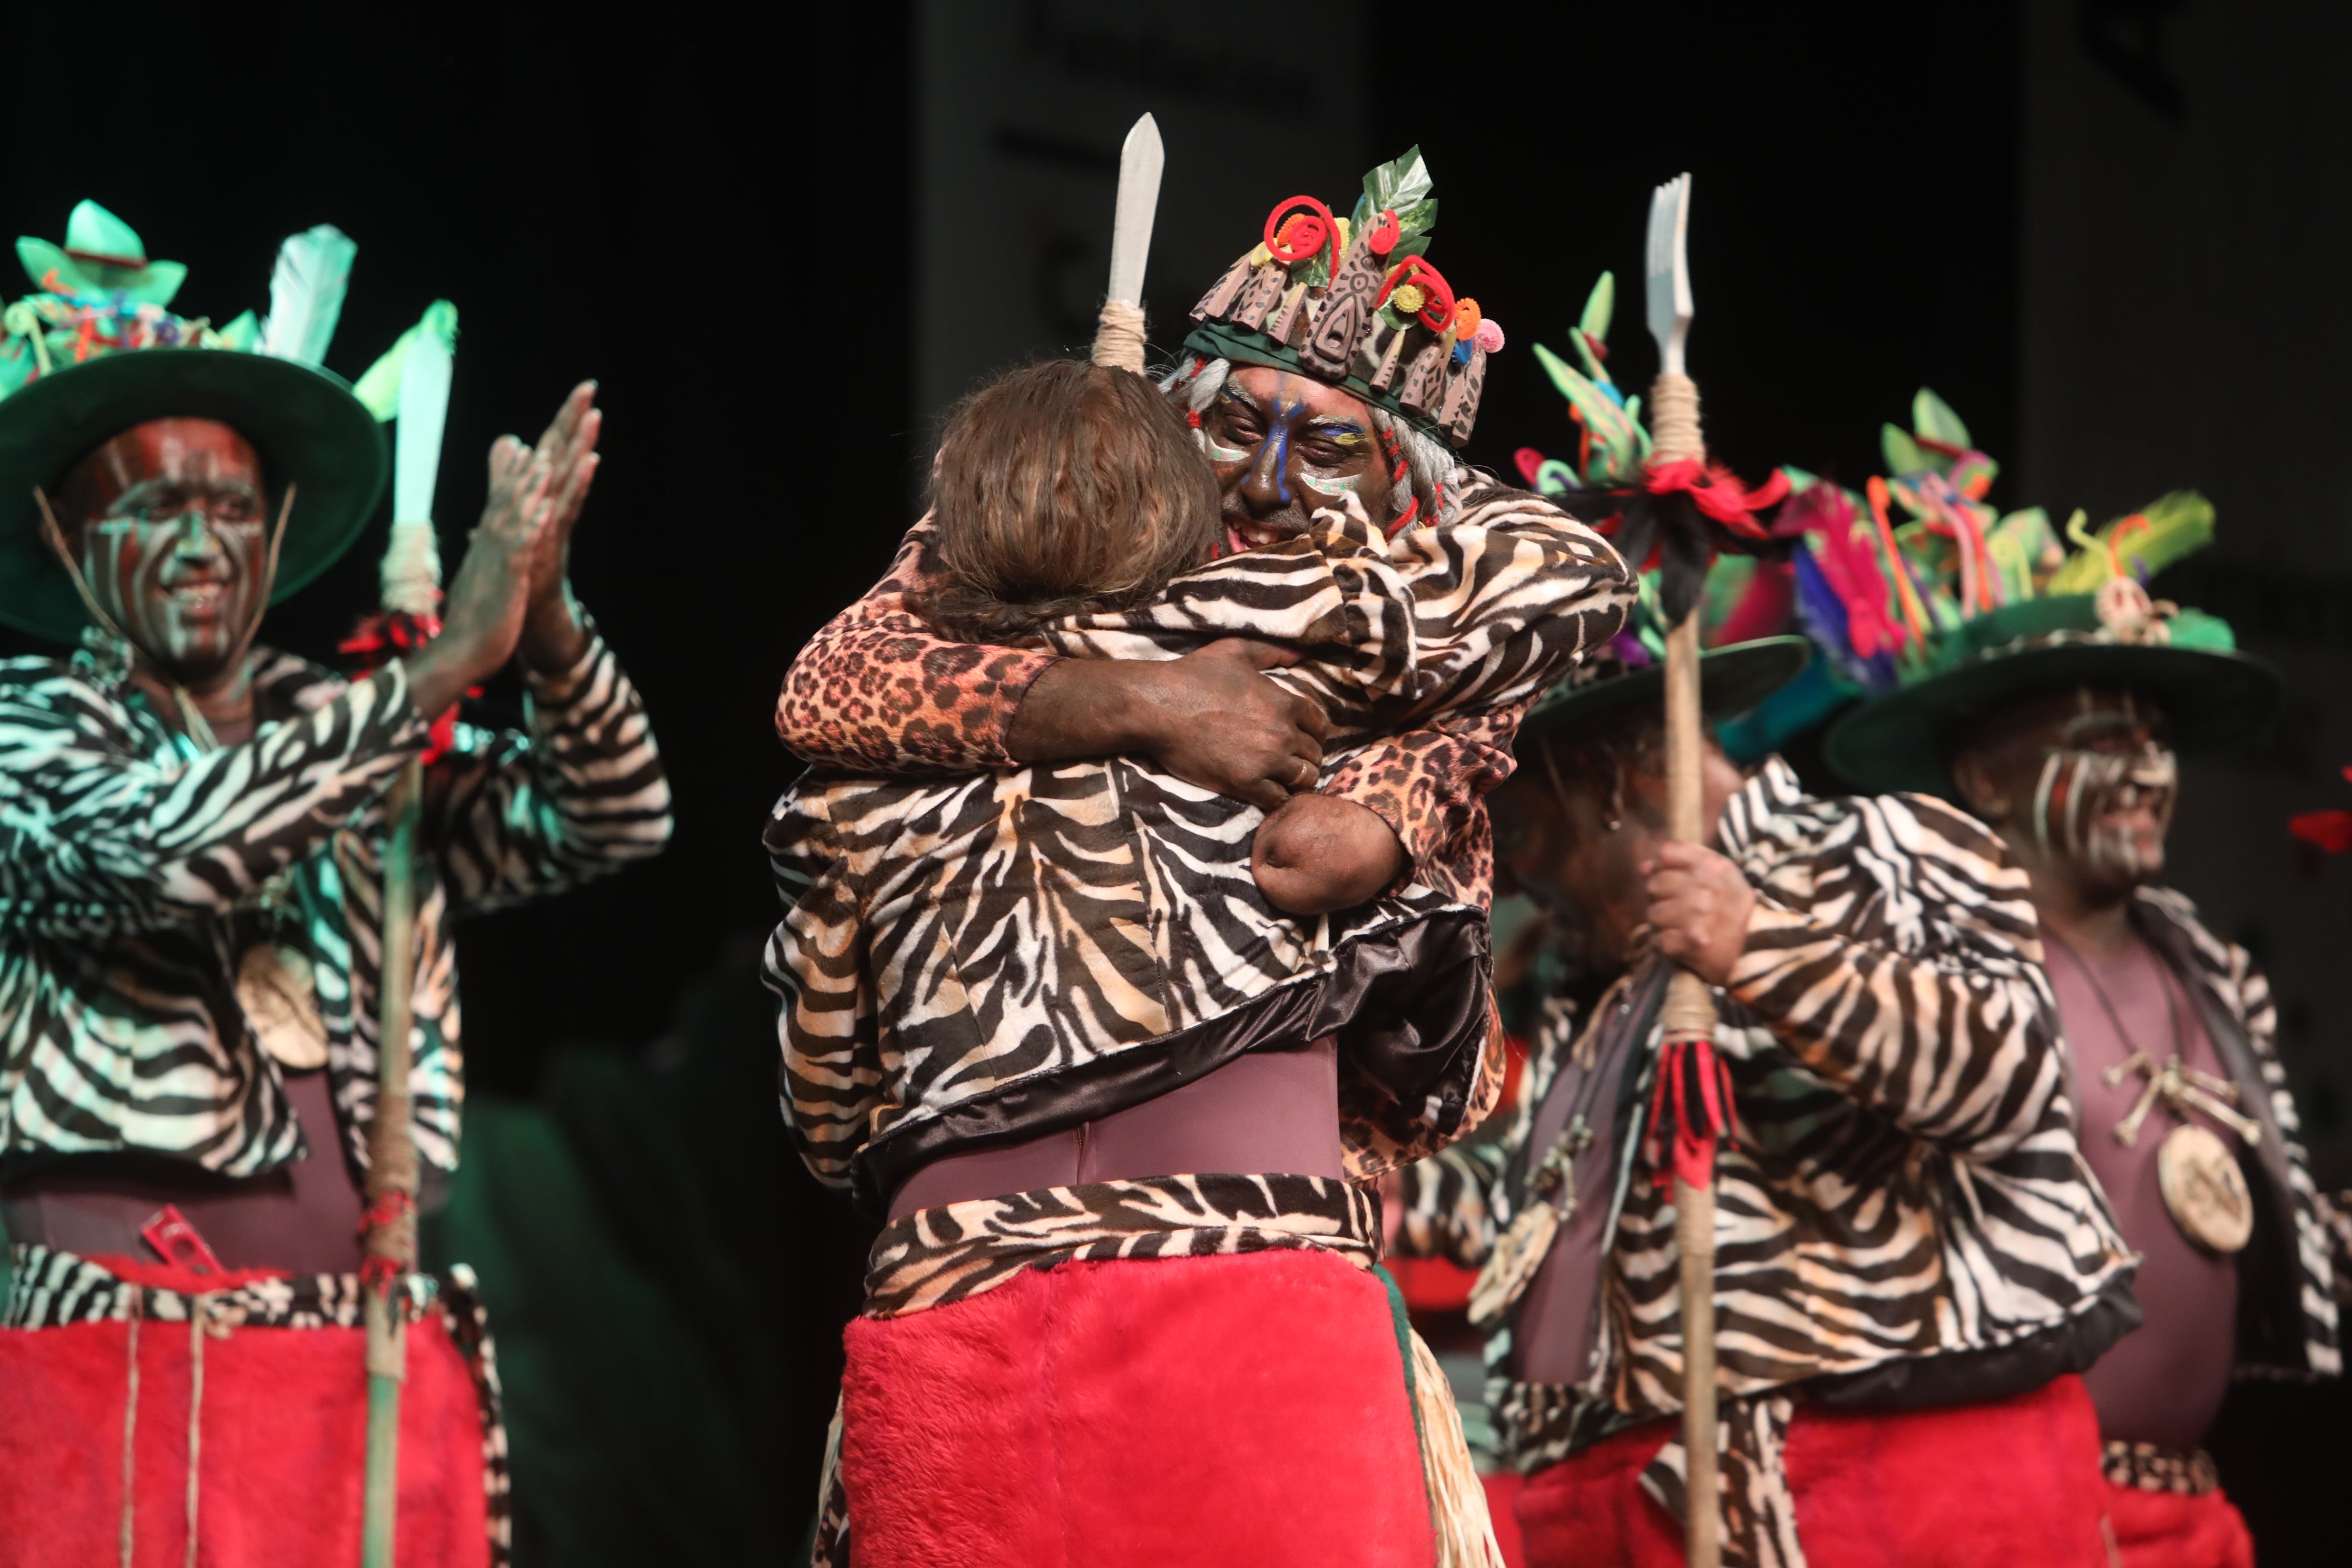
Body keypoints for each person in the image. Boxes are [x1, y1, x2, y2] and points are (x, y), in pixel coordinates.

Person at [768, 153, 1632, 1568]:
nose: (1272, 481)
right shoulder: (1257, 663)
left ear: (1413, 488)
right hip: (1096, 1319)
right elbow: (831, 674)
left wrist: (1410, 787)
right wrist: (1155, 703)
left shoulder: (1383, 666)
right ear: (1169, 430)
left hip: (1181, 1312)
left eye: (1332, 447)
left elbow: (826, 1106)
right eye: (1236, 428)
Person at [0, 202, 670, 1566]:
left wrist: (540, 627)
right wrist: (430, 674)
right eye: (152, 504)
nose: (201, 537)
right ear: (68, 543)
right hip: (113, 1358)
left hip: (361, 1349)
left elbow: (610, 816)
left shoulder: (353, 729)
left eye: (230, 504)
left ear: (280, 528)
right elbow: (164, 851)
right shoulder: (24, 728)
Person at [1388, 379, 2136, 1566]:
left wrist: (1762, 949)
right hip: (1630, 1490)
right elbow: (1549, 1209)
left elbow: (2006, 1075)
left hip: (1863, 1486)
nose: (1512, 876)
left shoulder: (1881, 847)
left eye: (1520, 831)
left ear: (1611, 782)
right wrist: (1386, 1199)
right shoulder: (1610, 972)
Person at [1825, 464, 2350, 1568]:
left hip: (2188, 1512)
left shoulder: (2215, 974)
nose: (2148, 769)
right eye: (2102, 737)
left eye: (2157, 738)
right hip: (1989, 1519)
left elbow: (2257, 1237)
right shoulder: (1932, 966)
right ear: (1984, 775)